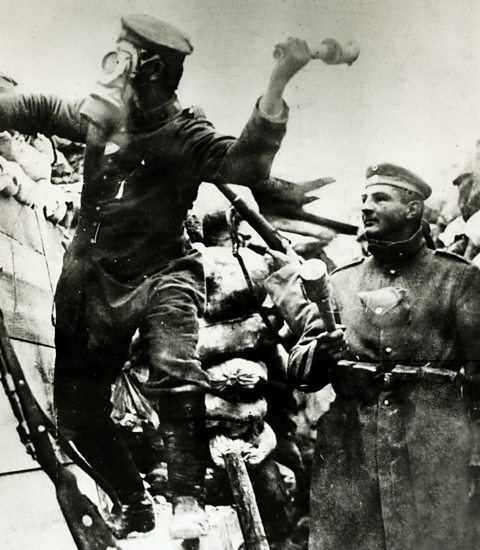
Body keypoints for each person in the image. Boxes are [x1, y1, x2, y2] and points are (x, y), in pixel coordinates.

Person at [0, 13, 312, 539]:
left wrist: (278, 82)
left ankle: (185, 493)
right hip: (95, 274)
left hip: (165, 269)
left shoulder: (184, 131)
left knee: (174, 365)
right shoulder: (97, 117)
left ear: (149, 70)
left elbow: (243, 166)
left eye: (122, 57)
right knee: (77, 414)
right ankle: (133, 498)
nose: (112, 68)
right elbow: (30, 108)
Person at [264, 162, 480, 549]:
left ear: (413, 208)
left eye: (380, 198)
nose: (366, 206)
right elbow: (300, 370)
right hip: (351, 450)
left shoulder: (458, 279)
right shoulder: (340, 282)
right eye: (364, 198)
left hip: (433, 448)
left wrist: (475, 458)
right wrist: (322, 353)